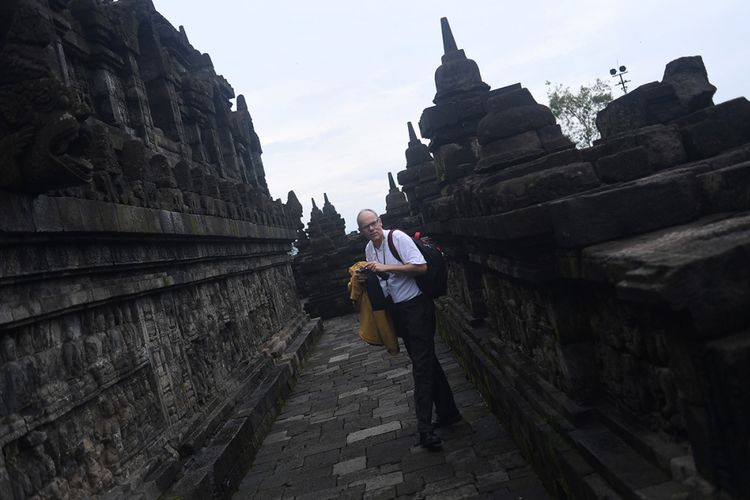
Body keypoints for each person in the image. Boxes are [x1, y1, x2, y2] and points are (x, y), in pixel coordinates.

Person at [355, 208, 461, 449]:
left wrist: (386, 268)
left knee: (422, 367)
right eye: (365, 227)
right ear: (360, 231)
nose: (371, 229)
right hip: (398, 311)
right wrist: (366, 278)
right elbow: (381, 282)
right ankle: (449, 412)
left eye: (373, 223)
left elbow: (420, 267)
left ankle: (425, 430)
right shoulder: (370, 250)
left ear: (380, 222)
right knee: (426, 360)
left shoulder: (398, 238)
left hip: (417, 307)